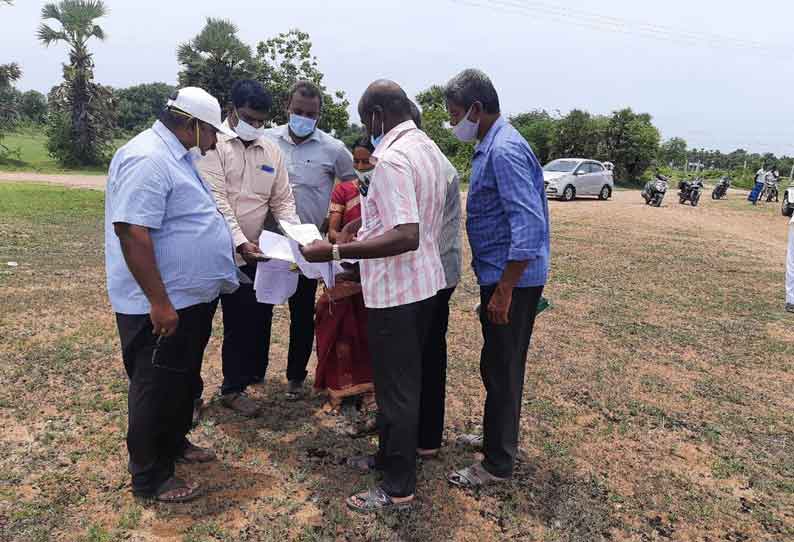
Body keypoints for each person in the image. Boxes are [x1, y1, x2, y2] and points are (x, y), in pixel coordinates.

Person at [301, 80, 448, 512]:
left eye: (368, 122)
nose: (368, 131)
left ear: (378, 116)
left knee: (397, 391)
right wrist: (358, 238)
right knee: (399, 385)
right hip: (423, 286)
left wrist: (335, 250)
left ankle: (398, 487)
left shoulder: (393, 159)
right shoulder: (429, 151)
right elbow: (401, 224)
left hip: (399, 293)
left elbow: (405, 233)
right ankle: (387, 459)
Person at [105, 87, 239, 503]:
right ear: (193, 124)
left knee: (180, 380)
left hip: (188, 299)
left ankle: (175, 443)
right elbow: (132, 232)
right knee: (155, 385)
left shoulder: (177, 156)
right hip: (160, 303)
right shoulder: (146, 158)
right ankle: (150, 476)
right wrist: (159, 302)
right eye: (212, 132)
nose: (215, 140)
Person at [443, 69, 550, 488]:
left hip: (513, 280)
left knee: (504, 369)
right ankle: (495, 438)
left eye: (455, 114)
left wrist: (504, 290)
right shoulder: (493, 144)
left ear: (476, 108)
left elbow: (527, 224)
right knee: (495, 363)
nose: (454, 124)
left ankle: (497, 464)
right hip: (502, 276)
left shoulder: (504, 149)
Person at [198, 80, 300, 417]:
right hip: (209, 254)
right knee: (194, 327)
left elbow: (283, 202)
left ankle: (233, 388)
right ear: (231, 111)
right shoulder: (211, 146)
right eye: (248, 119)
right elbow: (218, 203)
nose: (254, 126)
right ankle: (188, 395)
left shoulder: (270, 151)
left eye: (260, 121)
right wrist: (240, 241)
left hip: (250, 257)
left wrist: (299, 236)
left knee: (242, 326)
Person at [263, 80, 357, 400]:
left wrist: (339, 228)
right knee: (258, 308)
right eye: (298, 111)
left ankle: (294, 378)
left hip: (307, 244)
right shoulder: (266, 139)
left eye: (310, 113)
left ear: (319, 114)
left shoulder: (333, 149)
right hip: (267, 239)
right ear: (287, 108)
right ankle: (250, 373)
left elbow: (353, 189)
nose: (303, 117)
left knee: (301, 313)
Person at [313, 138, 376, 420]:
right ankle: (339, 389)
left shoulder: (387, 191)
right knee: (340, 330)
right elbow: (333, 233)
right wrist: (349, 242)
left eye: (367, 162)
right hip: (345, 270)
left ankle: (371, 391)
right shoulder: (344, 190)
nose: (361, 167)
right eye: (357, 162)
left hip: (375, 273)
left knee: (368, 332)